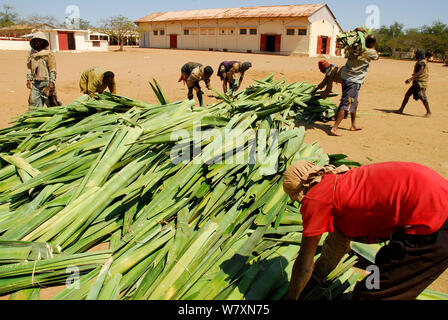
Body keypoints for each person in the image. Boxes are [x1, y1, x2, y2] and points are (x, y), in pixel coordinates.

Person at [283, 160, 448, 300]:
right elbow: (335, 248)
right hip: (434, 198)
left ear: (300, 193)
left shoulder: (315, 199)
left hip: (433, 224)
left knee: (371, 294)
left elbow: (304, 265)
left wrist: (291, 298)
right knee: (381, 264)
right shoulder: (338, 181)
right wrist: (314, 281)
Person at [331, 34, 379, 136]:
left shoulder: (353, 48)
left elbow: (347, 53)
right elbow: (377, 57)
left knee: (354, 103)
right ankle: (334, 128)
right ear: (372, 43)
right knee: (346, 103)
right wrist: (372, 46)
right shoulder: (370, 52)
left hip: (346, 78)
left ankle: (353, 125)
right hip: (353, 81)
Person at [26, 31, 61, 108]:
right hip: (35, 84)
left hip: (46, 83)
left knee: (52, 104)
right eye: (36, 41)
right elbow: (29, 67)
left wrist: (51, 82)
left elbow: (52, 68)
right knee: (33, 104)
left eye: (39, 41)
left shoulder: (48, 54)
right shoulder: (32, 54)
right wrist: (28, 79)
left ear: (43, 42)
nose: (37, 43)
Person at [394, 49, 431, 117]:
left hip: (421, 82)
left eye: (416, 54)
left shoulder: (422, 62)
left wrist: (410, 79)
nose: (415, 55)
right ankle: (401, 110)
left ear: (420, 55)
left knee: (422, 97)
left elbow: (421, 71)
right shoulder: (420, 61)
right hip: (416, 82)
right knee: (407, 95)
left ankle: (429, 112)